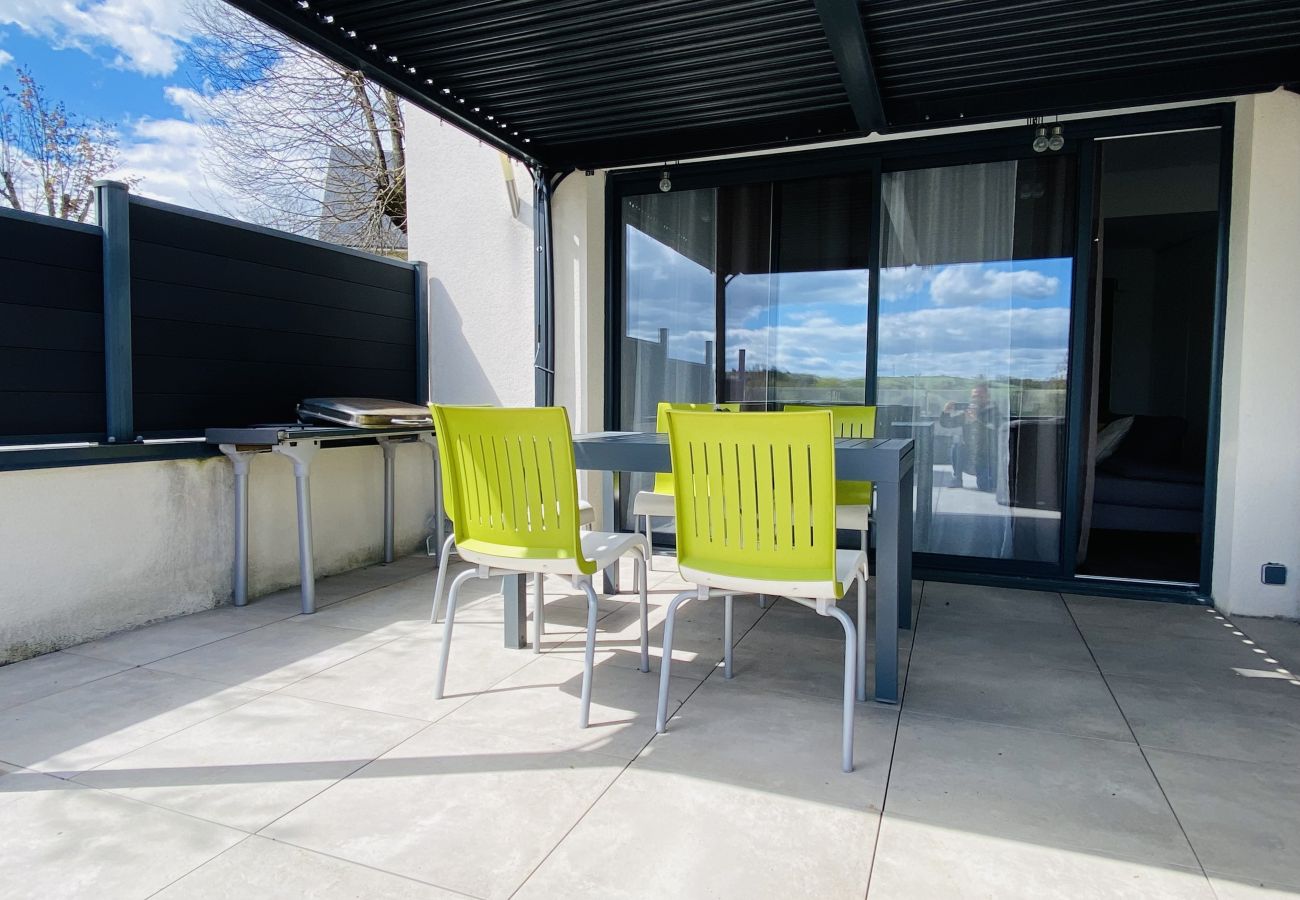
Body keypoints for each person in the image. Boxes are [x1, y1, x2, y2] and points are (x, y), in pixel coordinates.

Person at [940, 382, 997, 491]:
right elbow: (947, 424)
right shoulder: (967, 414)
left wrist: (976, 421)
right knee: (957, 444)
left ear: (987, 397)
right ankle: (957, 478)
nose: (976, 399)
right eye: (974, 396)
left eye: (980, 396)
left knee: (985, 486)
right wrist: (946, 412)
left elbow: (994, 432)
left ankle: (988, 477)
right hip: (969, 457)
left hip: (986, 459)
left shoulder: (993, 412)